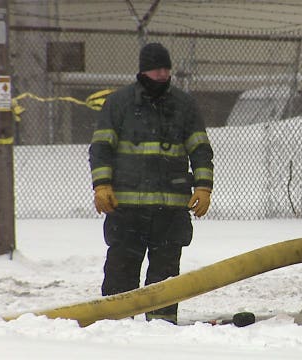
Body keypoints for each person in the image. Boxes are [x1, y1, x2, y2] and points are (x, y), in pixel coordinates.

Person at [88, 42, 214, 324]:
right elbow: (101, 148)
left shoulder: (184, 105)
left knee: (166, 279)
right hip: (127, 211)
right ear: (144, 70)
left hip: (169, 213)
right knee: (121, 272)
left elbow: (200, 149)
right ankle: (115, 326)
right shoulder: (119, 104)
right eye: (157, 68)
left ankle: (162, 329)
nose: (162, 74)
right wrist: (102, 185)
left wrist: (204, 187)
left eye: (166, 68)